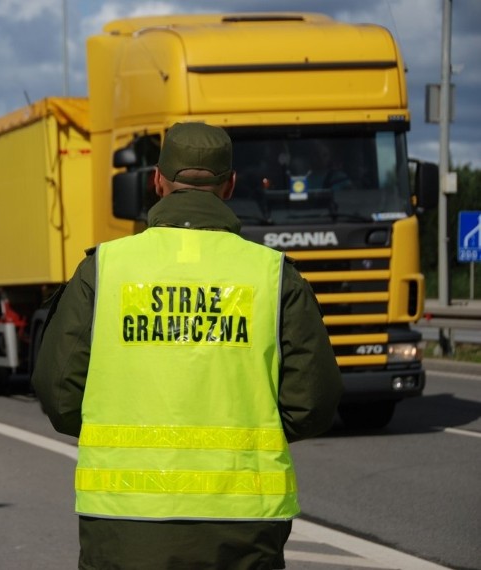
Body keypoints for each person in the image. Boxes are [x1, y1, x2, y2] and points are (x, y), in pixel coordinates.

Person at [31, 122, 343, 570]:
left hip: (123, 523)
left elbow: (60, 392)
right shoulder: (273, 275)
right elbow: (312, 402)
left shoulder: (104, 270)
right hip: (243, 525)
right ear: (230, 184)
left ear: (157, 181)